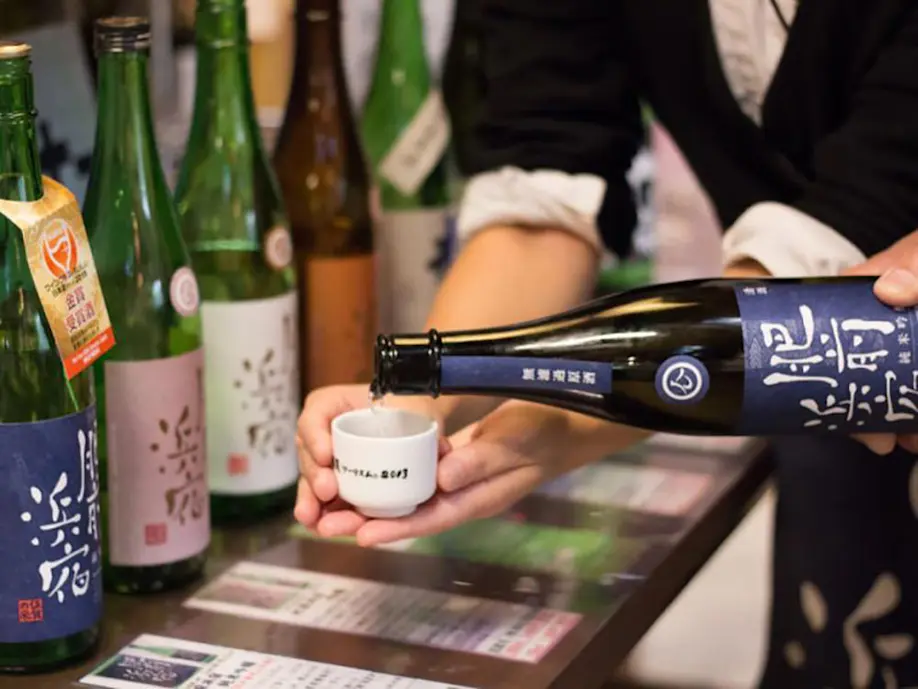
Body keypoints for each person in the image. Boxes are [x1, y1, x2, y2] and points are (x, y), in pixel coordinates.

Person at [297, 1, 918, 687]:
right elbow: (545, 168)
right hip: (834, 400)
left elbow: (877, 194)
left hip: (869, 343)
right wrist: (425, 404)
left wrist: (555, 426)